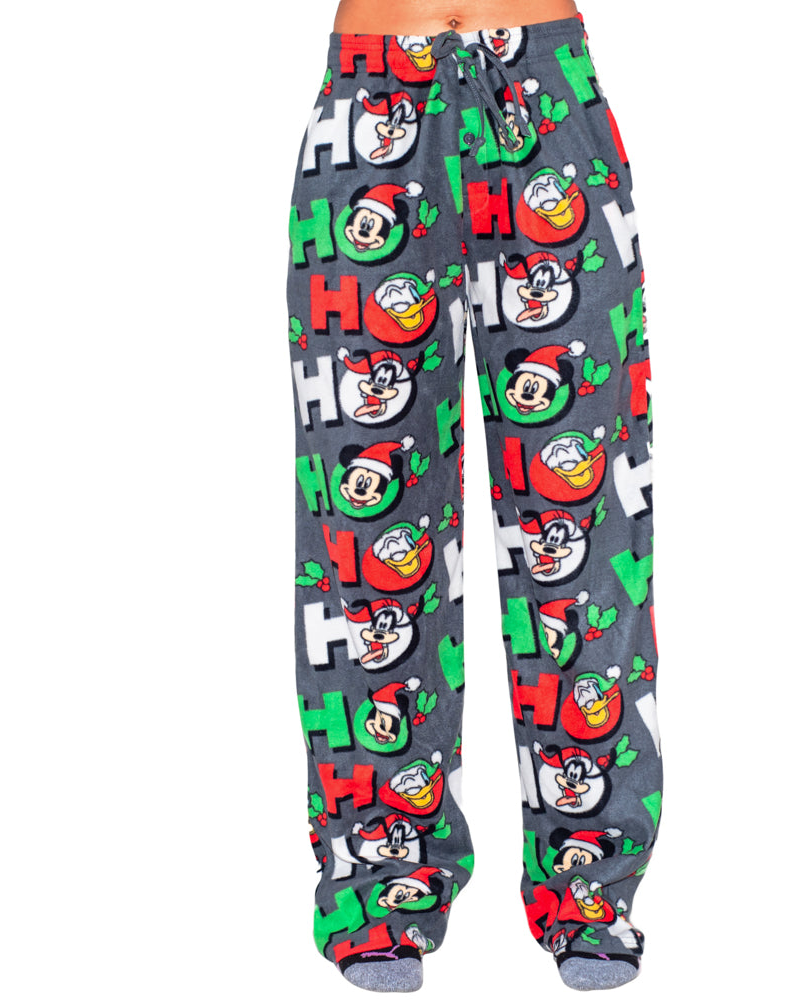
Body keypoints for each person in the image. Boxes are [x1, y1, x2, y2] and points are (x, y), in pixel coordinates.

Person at [287, 0, 661, 990]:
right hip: (372, 101)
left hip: (545, 99)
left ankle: (589, 886)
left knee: (580, 516)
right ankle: (381, 879)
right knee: (366, 523)